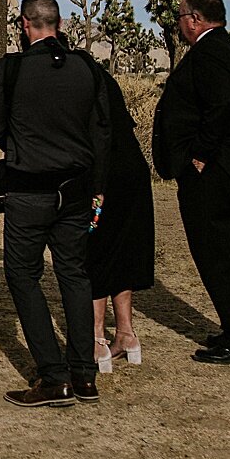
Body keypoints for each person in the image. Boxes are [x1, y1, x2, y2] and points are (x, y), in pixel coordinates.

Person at [0, 0, 111, 408]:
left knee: (22, 275)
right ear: (58, 22)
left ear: (24, 24)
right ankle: (85, 375)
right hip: (76, 189)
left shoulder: (13, 70)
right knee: (73, 274)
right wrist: (98, 184)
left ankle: (54, 377)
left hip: (28, 190)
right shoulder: (87, 67)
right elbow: (101, 131)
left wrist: (23, 147)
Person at [152, 0, 230, 365]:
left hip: (211, 173)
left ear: (195, 19)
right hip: (221, 171)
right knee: (228, 253)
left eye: (181, 16)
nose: (178, 23)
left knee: (218, 255)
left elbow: (222, 104)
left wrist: (200, 155)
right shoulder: (224, 48)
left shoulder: (212, 50)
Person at [88, 58, 155, 373]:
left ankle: (98, 339)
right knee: (123, 252)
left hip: (104, 177)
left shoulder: (80, 82)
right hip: (134, 172)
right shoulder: (106, 81)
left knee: (95, 251)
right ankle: (127, 335)